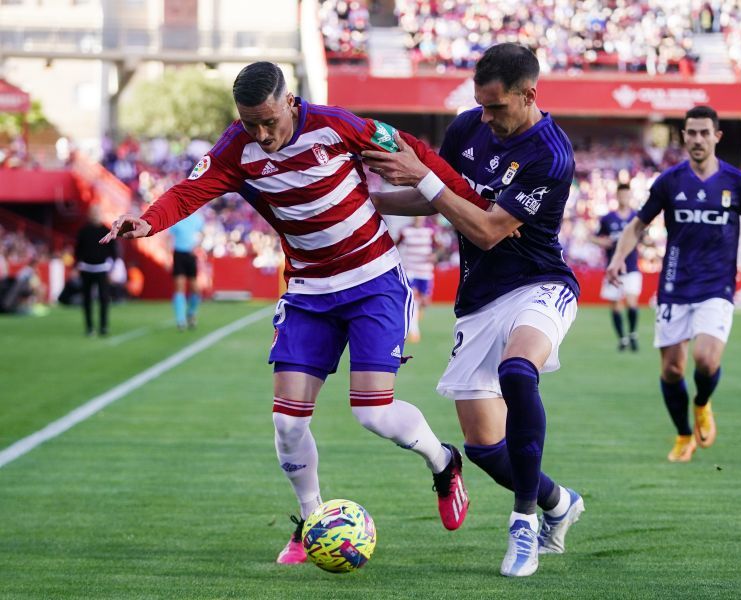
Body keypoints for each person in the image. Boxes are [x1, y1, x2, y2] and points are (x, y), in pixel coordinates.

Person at [100, 61, 487, 565]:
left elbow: (415, 152)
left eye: (268, 121)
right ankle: (311, 520)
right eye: (249, 123)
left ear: (290, 101)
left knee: (372, 413)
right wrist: (148, 222)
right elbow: (188, 191)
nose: (261, 134)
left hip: (372, 281)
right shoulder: (235, 149)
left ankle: (442, 461)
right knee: (286, 424)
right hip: (308, 291)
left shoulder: (337, 125)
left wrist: (471, 199)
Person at [363, 43, 584, 578]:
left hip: (539, 284)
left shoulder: (550, 155)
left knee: (518, 370)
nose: (486, 117)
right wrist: (364, 200)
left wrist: (423, 175)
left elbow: (485, 229)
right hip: (478, 301)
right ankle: (560, 502)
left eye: (497, 107)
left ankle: (525, 526)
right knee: (485, 449)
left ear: (530, 95)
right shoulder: (468, 128)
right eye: (480, 105)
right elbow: (443, 198)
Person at [607, 105, 741, 463]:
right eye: (691, 133)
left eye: (703, 133)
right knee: (672, 370)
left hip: (717, 285)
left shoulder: (736, 182)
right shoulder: (669, 181)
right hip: (674, 285)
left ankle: (702, 403)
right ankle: (683, 436)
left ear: (717, 136)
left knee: (706, 361)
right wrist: (619, 257)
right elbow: (637, 224)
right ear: (684, 136)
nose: (697, 139)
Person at [596, 183, 642, 352]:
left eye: (627, 195)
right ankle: (622, 338)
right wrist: (602, 241)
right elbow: (594, 237)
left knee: (631, 302)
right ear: (617, 196)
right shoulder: (607, 218)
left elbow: (643, 236)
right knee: (615, 305)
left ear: (630, 196)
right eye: (621, 195)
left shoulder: (637, 217)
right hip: (612, 269)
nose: (624, 198)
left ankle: (632, 334)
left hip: (631, 267)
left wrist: (646, 241)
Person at [75, 205, 116, 336]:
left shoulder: (106, 230)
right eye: (92, 212)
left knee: (104, 299)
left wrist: (111, 268)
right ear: (89, 214)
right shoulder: (83, 230)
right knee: (87, 299)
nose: (94, 215)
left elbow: (113, 251)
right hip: (86, 268)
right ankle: (89, 327)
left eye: (97, 212)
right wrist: (77, 265)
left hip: (102, 269)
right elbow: (78, 250)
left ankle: (103, 327)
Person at [396, 216, 435, 343]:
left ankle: (417, 312)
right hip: (410, 270)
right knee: (411, 299)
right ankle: (414, 331)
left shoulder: (430, 231)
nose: (419, 219)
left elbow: (439, 247)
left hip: (425, 271)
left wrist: (435, 255)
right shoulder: (405, 231)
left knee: (425, 301)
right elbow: (394, 246)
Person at [168, 210, 205, 330]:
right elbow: (169, 238)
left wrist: (198, 246)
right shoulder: (176, 218)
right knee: (179, 286)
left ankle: (191, 312)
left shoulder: (197, 218)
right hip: (178, 254)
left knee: (195, 288)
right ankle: (180, 319)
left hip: (191, 254)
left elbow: (202, 234)